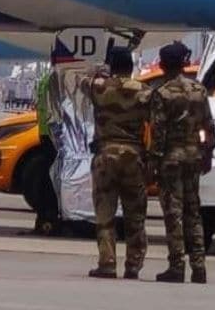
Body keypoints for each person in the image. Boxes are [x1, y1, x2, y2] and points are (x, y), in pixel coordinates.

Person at [80, 47, 151, 279]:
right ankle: (133, 264)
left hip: (106, 155)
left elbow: (83, 81)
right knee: (135, 214)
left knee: (104, 213)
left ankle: (107, 262)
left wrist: (100, 70)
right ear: (131, 67)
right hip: (133, 156)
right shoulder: (144, 92)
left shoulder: (99, 87)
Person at [150, 41, 215, 284]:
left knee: (173, 213)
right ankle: (199, 267)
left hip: (171, 159)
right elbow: (209, 127)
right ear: (184, 64)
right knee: (193, 212)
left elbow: (158, 132)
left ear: (162, 65)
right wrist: (207, 154)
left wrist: (154, 162)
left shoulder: (162, 93)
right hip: (193, 157)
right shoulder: (199, 91)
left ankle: (177, 265)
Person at [30, 68, 61, 235]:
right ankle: (49, 218)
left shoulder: (44, 79)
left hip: (44, 133)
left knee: (46, 178)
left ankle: (45, 218)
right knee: (52, 180)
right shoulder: (55, 80)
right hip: (52, 136)